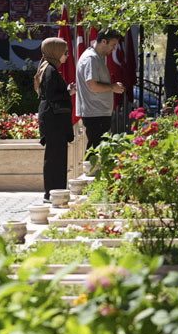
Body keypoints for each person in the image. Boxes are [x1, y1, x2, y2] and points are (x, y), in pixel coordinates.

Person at [35, 37, 76, 203]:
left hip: (53, 119)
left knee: (56, 157)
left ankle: (55, 192)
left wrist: (66, 90)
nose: (66, 55)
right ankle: (52, 193)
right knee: (55, 158)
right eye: (64, 52)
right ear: (55, 52)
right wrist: (69, 92)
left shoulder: (49, 68)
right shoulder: (50, 70)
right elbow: (51, 95)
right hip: (54, 121)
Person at [75, 28, 125, 152]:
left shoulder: (95, 57)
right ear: (104, 41)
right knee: (95, 149)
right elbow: (92, 85)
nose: (114, 49)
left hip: (98, 112)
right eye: (113, 45)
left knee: (99, 148)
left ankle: (93, 171)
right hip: (95, 112)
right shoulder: (91, 58)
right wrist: (112, 87)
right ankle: (91, 172)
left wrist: (112, 86)